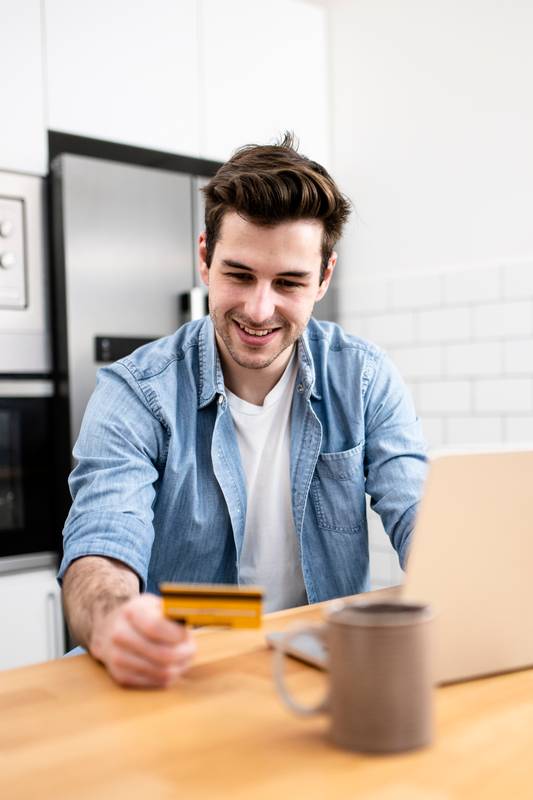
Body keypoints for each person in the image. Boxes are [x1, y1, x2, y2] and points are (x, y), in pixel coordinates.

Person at [59, 133, 427, 688]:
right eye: (239, 275)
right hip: (182, 675)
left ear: (324, 277)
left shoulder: (364, 378)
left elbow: (421, 517)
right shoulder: (135, 392)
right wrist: (114, 621)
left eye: (288, 282)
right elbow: (100, 548)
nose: (259, 310)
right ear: (205, 257)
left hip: (317, 675)